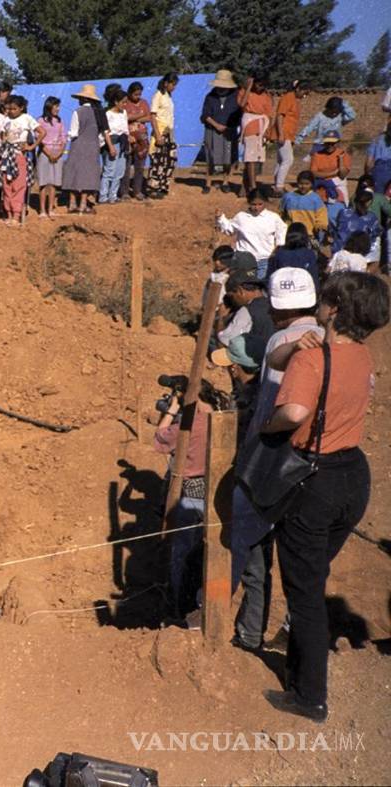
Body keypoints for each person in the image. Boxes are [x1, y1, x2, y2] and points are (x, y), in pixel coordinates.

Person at [262, 272, 390, 722]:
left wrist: (270, 425)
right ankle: (299, 670)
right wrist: (295, 349)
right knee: (312, 576)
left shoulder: (314, 361)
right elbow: (277, 357)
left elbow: (294, 411)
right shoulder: (361, 355)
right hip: (353, 474)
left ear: (333, 308)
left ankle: (309, 697)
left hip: (313, 480)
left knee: (305, 592)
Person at [229, 267, 322, 653]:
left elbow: (277, 405)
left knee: (248, 544)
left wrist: (263, 430)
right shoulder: (331, 341)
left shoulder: (280, 340)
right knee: (302, 557)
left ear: (280, 309)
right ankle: (290, 632)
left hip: (271, 456)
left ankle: (243, 629)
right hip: (315, 462)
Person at [154, 379, 231, 620]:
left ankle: (181, 609)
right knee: (217, 553)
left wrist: (172, 409)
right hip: (220, 492)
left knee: (183, 554)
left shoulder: (188, 425)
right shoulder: (224, 418)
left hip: (191, 495)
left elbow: (160, 439)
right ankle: (213, 608)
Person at [216, 187, 288, 277]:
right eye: (253, 204)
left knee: (261, 283)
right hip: (243, 260)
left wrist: (278, 249)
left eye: (260, 204)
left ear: (265, 202)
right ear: (249, 203)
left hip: (265, 260)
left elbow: (282, 232)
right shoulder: (241, 217)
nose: (256, 208)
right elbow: (229, 229)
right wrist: (220, 218)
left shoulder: (273, 218)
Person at [63, 84, 108, 214]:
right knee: (88, 174)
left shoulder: (78, 112)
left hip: (78, 145)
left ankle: (72, 204)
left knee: (74, 173)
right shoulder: (99, 113)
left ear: (83, 99)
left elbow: (74, 132)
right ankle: (83, 204)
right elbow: (102, 134)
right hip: (93, 146)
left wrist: (65, 138)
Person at [0, 95, 43, 225]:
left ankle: (16, 215)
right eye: (9, 109)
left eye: (14, 109)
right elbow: (2, 135)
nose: (11, 111)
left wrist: (31, 146)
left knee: (19, 185)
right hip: (6, 156)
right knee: (7, 185)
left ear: (21, 108)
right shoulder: (6, 119)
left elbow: (42, 132)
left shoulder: (27, 118)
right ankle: (8, 213)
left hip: (20, 155)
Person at [216, 265, 275, 352]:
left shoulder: (246, 311)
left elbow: (223, 345)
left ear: (240, 291)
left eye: (232, 297)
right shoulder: (274, 304)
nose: (232, 302)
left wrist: (220, 319)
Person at [201, 70, 241, 194]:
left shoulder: (235, 97)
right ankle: (208, 182)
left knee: (228, 157)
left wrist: (229, 127)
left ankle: (225, 182)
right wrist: (216, 125)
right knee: (211, 156)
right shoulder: (210, 97)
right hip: (212, 130)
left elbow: (238, 115)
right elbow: (205, 115)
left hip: (229, 131)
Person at [238, 75, 273, 194]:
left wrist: (268, 130)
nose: (260, 87)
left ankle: (248, 184)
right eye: (258, 84)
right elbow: (242, 104)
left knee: (258, 157)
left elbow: (269, 114)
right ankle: (252, 186)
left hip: (262, 125)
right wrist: (248, 87)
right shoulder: (244, 92)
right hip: (250, 124)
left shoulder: (266, 96)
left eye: (263, 85)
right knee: (250, 157)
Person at [273, 80, 310, 191]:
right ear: (298, 89)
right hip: (284, 133)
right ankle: (279, 186)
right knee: (288, 160)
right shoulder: (287, 98)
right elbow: (280, 116)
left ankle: (276, 183)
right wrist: (281, 134)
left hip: (288, 134)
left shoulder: (295, 100)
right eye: (304, 92)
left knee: (281, 160)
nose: (304, 96)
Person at [147, 74, 179, 199]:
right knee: (158, 160)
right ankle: (153, 188)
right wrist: (157, 135)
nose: (174, 87)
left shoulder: (168, 96)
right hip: (160, 132)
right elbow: (153, 116)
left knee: (169, 160)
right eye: (173, 84)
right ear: (166, 83)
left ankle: (163, 186)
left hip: (169, 132)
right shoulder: (158, 96)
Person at [123, 82, 153, 200]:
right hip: (128, 138)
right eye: (135, 94)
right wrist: (140, 115)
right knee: (126, 166)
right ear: (130, 93)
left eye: (139, 94)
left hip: (142, 140)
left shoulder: (144, 103)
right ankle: (124, 192)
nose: (138, 97)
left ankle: (137, 191)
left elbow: (149, 117)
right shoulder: (125, 103)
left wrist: (135, 118)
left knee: (140, 166)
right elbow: (125, 117)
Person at [329, 189, 380, 260]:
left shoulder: (343, 213)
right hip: (358, 255)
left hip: (340, 252)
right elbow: (374, 237)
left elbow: (336, 229)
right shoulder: (372, 218)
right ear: (369, 203)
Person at [99, 85, 128, 206]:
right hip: (112, 142)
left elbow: (125, 129)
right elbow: (106, 132)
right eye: (123, 102)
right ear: (116, 102)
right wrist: (110, 146)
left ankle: (113, 195)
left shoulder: (124, 113)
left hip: (122, 143)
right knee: (109, 171)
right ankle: (103, 196)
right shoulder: (107, 114)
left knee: (119, 171)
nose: (125, 105)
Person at [36, 97, 66, 219]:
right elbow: (39, 140)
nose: (58, 109)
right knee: (43, 183)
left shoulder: (59, 121)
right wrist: (49, 154)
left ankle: (51, 209)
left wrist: (59, 153)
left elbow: (63, 138)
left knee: (53, 183)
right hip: (44, 154)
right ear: (49, 106)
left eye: (58, 106)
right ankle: (42, 210)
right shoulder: (41, 121)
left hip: (57, 154)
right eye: (56, 106)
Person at [266, 222, 320, 287]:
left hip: (282, 289)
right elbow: (314, 278)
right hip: (303, 289)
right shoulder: (309, 254)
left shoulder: (278, 253)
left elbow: (270, 277)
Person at [280, 170, 329, 241]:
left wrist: (320, 226)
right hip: (291, 234)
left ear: (312, 184)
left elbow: (322, 216)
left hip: (309, 234)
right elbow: (281, 213)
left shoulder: (316, 199)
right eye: (301, 183)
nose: (303, 186)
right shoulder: (288, 197)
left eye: (307, 184)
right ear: (297, 183)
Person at [309, 133, 351, 204]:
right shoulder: (317, 154)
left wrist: (340, 159)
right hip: (321, 184)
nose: (330, 145)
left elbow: (342, 175)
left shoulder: (343, 154)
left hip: (338, 184)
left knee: (342, 205)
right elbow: (313, 173)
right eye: (327, 143)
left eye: (332, 143)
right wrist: (334, 173)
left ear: (337, 143)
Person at [366, 114, 391, 195]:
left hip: (378, 172)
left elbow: (368, 164)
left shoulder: (376, 140)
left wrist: (368, 175)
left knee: (377, 198)